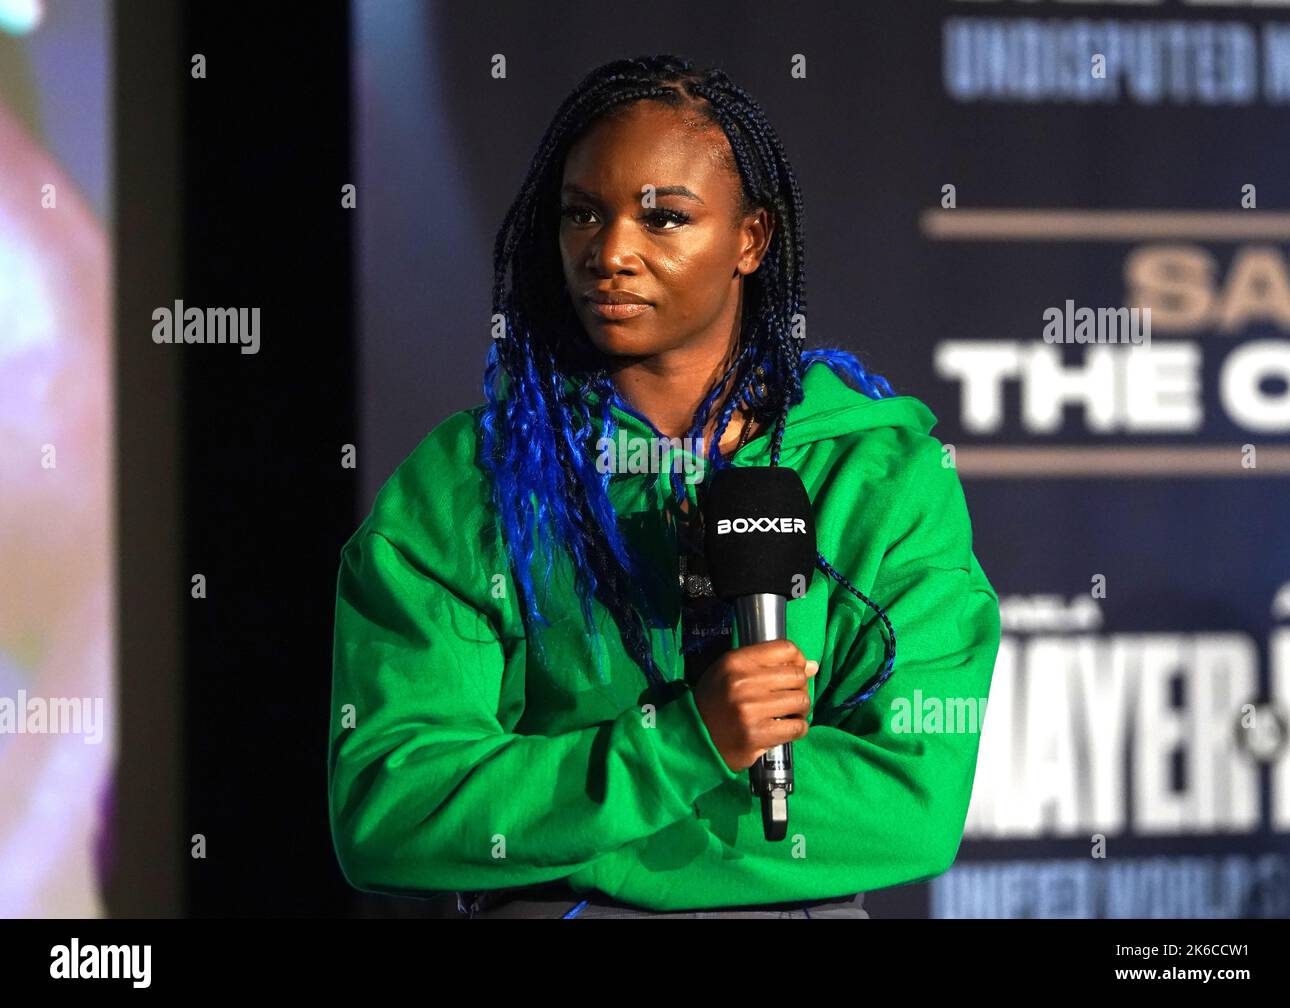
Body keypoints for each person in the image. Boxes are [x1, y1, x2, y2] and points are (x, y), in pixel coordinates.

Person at [327, 54, 1001, 919]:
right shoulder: (468, 481)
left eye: (666, 218)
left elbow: (909, 808)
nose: (610, 253)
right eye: (582, 215)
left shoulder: (881, 476)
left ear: (749, 240)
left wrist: (558, 845)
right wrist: (685, 746)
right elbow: (390, 809)